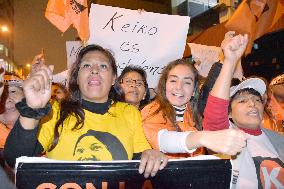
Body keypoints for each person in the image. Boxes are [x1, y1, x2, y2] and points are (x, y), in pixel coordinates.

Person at [4, 44, 168, 178]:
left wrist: (152, 155)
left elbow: (141, 156)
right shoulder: (57, 111)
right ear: (77, 77)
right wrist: (31, 110)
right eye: (87, 65)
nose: (94, 70)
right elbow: (15, 158)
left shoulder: (128, 112)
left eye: (103, 66)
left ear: (113, 79)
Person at [203, 34, 284, 188]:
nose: (252, 104)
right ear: (229, 113)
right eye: (242, 100)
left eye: (256, 99)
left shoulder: (279, 140)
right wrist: (230, 61)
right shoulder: (226, 138)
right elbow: (214, 112)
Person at [142, 59, 248, 159]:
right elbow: (163, 140)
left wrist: (228, 58)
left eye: (187, 82)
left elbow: (213, 97)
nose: (179, 87)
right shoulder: (151, 110)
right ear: (165, 86)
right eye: (173, 80)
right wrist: (203, 138)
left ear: (193, 91)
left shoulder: (195, 114)